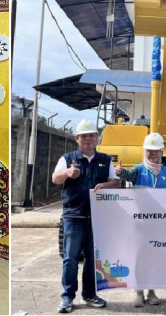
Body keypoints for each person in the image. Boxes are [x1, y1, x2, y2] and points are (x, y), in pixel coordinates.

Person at [52, 119, 121, 313]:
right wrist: (68, 173)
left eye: (91, 135)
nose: (88, 139)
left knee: (92, 259)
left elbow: (115, 182)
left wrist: (105, 186)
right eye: (84, 136)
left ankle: (89, 294)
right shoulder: (68, 158)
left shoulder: (105, 160)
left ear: (96, 138)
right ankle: (67, 297)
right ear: (77, 139)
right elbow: (55, 178)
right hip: (74, 217)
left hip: (98, 217)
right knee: (70, 259)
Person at [114, 133, 166, 308]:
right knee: (139, 257)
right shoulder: (138, 170)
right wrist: (120, 172)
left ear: (161, 152)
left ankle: (152, 291)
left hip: (159, 224)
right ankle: (139, 292)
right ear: (144, 151)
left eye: (156, 151)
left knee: (155, 258)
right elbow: (128, 174)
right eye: (149, 151)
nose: (152, 154)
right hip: (140, 224)